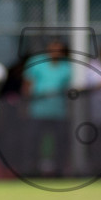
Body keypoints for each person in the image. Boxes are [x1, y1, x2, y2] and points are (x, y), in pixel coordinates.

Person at [23, 40, 73, 176]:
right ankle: (31, 170)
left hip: (58, 112)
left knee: (59, 142)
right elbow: (27, 85)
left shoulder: (67, 67)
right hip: (38, 111)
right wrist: (26, 105)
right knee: (34, 141)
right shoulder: (36, 63)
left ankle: (59, 171)